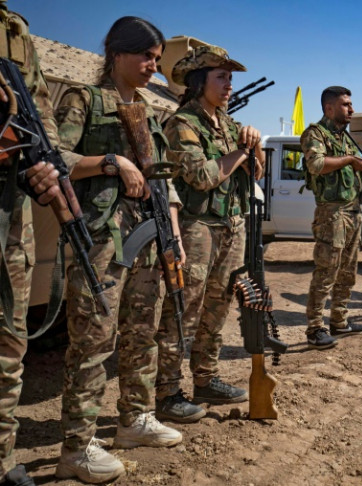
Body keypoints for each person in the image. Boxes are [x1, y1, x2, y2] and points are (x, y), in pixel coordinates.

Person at [54, 17, 183, 483]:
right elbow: (54, 161)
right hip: (102, 239)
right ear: (117, 54)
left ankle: (134, 419)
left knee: (142, 330)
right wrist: (111, 162)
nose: (153, 66)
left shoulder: (147, 110)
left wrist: (173, 234)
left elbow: (162, 180)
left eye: (156, 58)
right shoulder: (84, 100)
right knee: (93, 340)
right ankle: (76, 446)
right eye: (146, 56)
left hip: (148, 237)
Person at [154, 45, 264, 423]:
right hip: (197, 227)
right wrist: (240, 154)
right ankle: (167, 392)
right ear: (200, 82)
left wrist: (255, 144)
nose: (229, 85)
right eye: (222, 77)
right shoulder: (182, 123)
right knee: (183, 310)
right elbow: (200, 177)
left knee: (219, 307)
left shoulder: (230, 125)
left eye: (231, 78)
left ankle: (206, 378)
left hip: (231, 226)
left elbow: (257, 174)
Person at [0, 3, 62, 484]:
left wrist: (45, 158)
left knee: (8, 342)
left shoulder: (12, 28)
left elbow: (38, 109)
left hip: (9, 209)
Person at [300, 86, 362, 349]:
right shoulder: (315, 134)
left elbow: (348, 175)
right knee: (326, 271)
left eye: (351, 104)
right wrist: (349, 160)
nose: (352, 110)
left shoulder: (345, 138)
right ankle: (314, 329)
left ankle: (339, 320)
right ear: (329, 108)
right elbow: (317, 165)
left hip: (352, 210)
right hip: (331, 213)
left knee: (348, 271)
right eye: (346, 104)